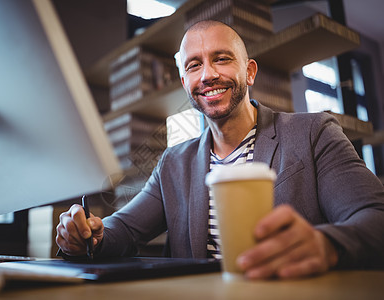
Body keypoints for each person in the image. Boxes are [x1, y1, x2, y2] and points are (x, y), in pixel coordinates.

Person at [56, 20, 384, 279]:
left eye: (222, 59)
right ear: (185, 82)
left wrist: (328, 244)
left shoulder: (314, 133)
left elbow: (374, 218)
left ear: (249, 71)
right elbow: (124, 228)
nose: (209, 75)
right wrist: (90, 235)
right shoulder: (173, 162)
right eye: (194, 65)